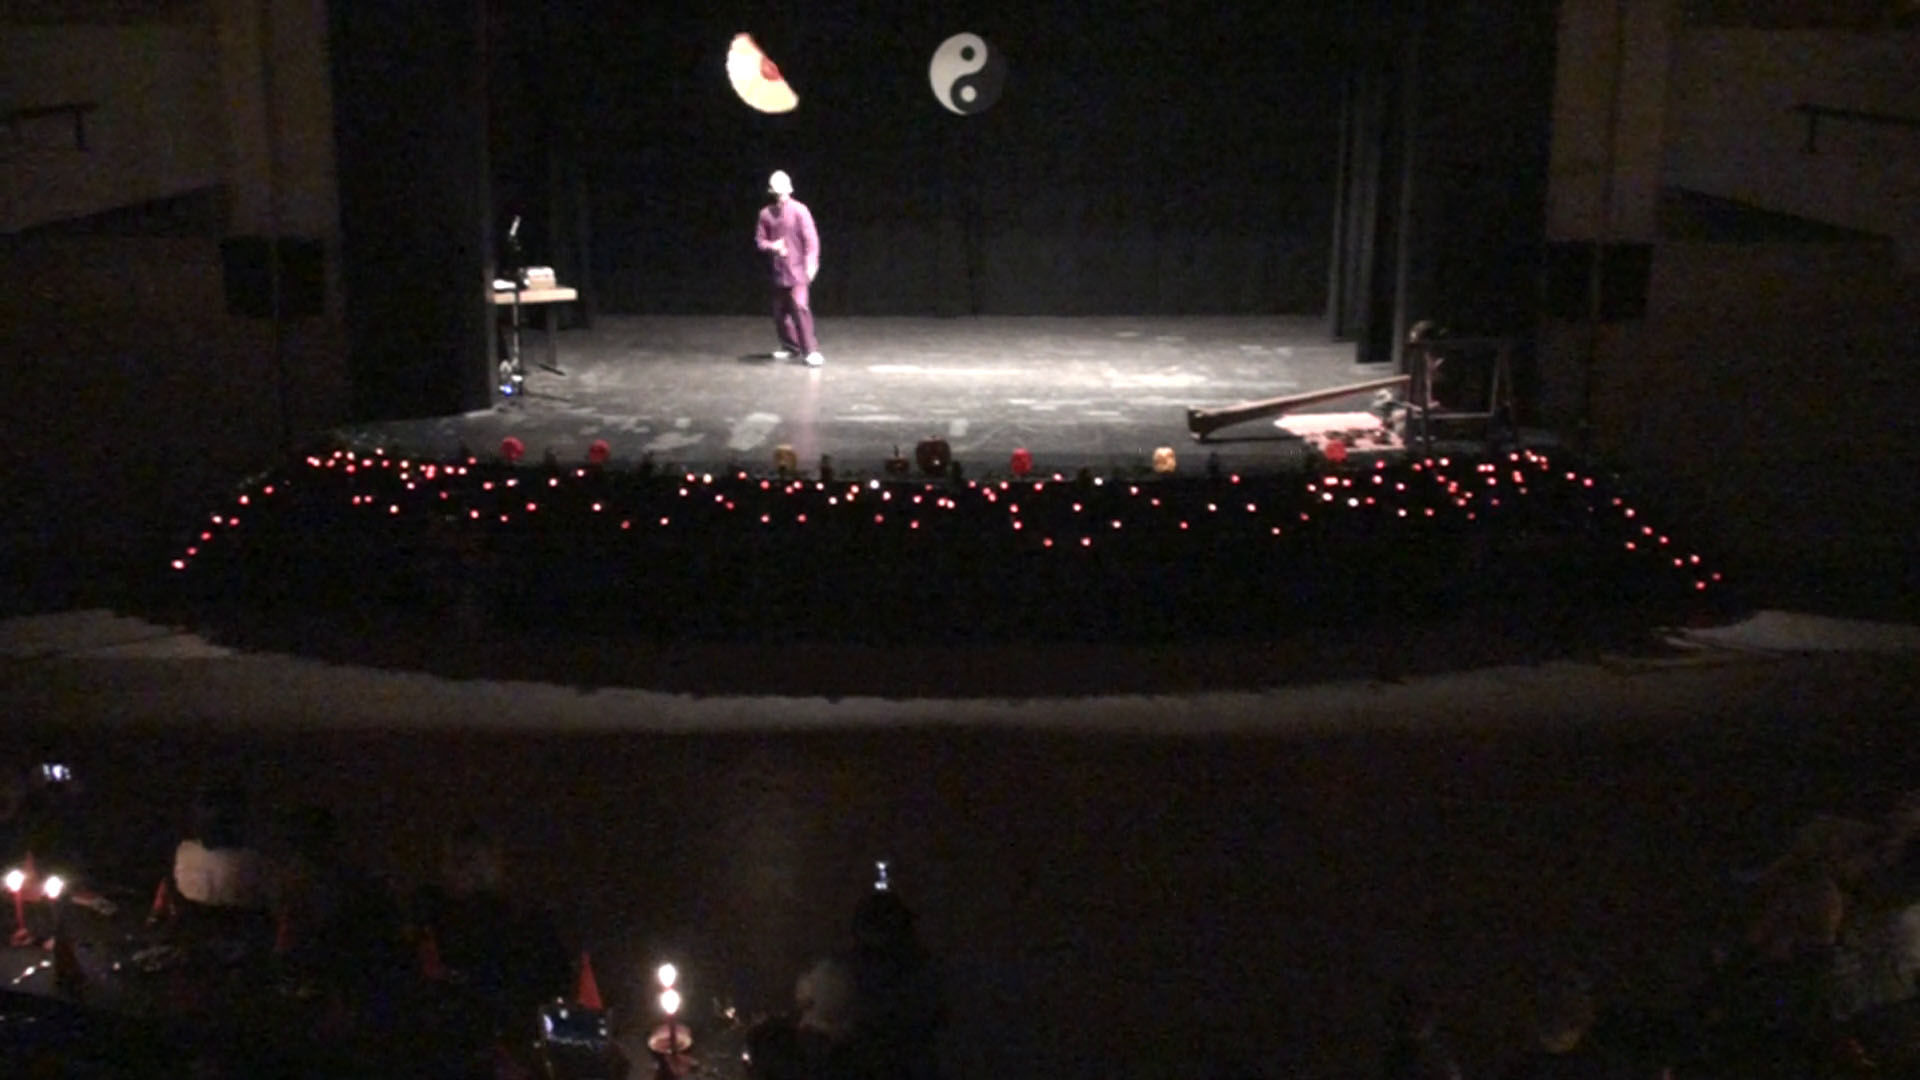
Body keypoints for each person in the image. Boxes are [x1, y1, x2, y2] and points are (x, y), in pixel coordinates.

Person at [755, 169, 823, 367]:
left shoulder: (800, 210)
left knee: (800, 307)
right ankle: (791, 346)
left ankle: (811, 351)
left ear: (789, 189)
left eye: (783, 190)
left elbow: (811, 240)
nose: (780, 195)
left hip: (798, 270)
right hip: (778, 271)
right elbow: (760, 241)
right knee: (780, 314)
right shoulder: (766, 214)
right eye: (777, 191)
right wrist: (772, 246)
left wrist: (811, 264)